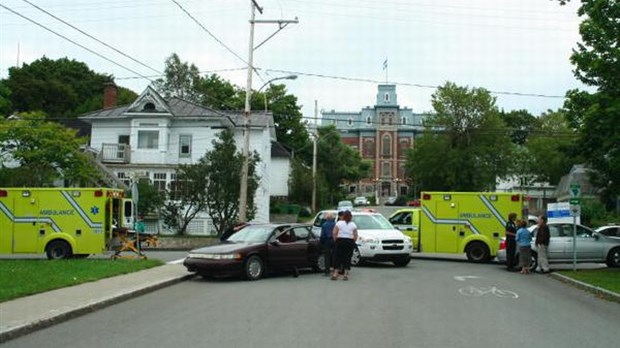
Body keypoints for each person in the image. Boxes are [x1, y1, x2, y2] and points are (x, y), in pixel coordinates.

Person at [331, 209, 358, 281]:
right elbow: (355, 235)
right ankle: (345, 274)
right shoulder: (353, 224)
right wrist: (353, 241)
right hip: (349, 241)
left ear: (343, 216)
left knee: (337, 257)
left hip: (340, 240)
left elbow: (334, 232)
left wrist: (335, 240)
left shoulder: (339, 223)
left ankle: (335, 273)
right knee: (347, 257)